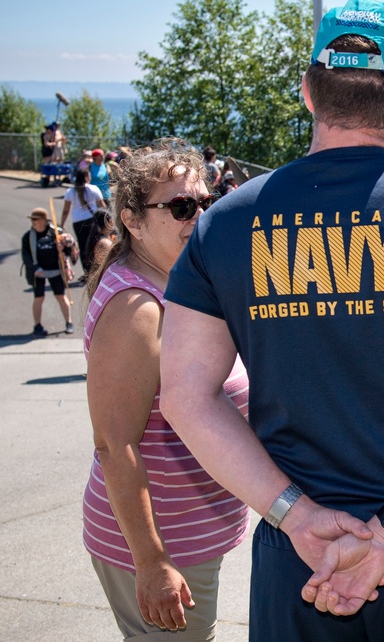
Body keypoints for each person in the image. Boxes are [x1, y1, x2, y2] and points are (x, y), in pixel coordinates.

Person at [158, 0, 384, 640]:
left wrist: (296, 516)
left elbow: (187, 397)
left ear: (309, 93)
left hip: (299, 552)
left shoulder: (224, 224)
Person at [81, 139, 250, 639]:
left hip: (192, 535)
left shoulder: (180, 281)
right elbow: (115, 445)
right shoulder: (138, 309)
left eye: (204, 202)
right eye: (179, 207)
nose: (197, 216)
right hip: (163, 547)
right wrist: (152, 562)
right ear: (132, 220)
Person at [21, 208, 74, 337]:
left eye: (36, 220)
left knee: (60, 296)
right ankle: (37, 325)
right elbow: (26, 256)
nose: (34, 222)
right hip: (38, 271)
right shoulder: (28, 237)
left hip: (55, 270)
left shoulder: (56, 233)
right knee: (39, 297)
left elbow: (69, 250)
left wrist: (62, 249)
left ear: (44, 220)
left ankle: (69, 322)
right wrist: (35, 269)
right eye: (32, 220)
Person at [60, 168, 106, 275]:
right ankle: (98, 270)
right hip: (93, 220)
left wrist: (62, 224)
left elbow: (66, 210)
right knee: (95, 244)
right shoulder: (93, 189)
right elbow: (101, 206)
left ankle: (87, 272)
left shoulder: (70, 192)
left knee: (83, 246)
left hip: (78, 222)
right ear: (86, 177)